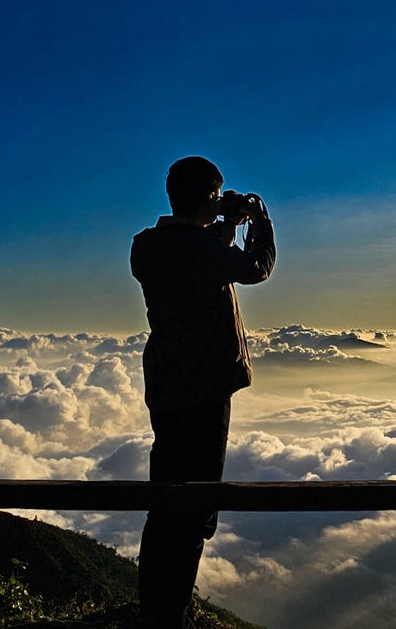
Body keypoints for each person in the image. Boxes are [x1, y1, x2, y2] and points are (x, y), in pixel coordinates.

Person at [129, 156, 275, 627]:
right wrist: (260, 224)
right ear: (210, 195)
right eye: (218, 193)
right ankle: (172, 612)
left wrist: (222, 223)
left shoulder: (147, 246)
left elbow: (200, 260)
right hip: (207, 388)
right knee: (197, 505)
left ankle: (154, 603)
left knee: (167, 494)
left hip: (168, 385)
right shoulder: (200, 247)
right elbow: (255, 268)